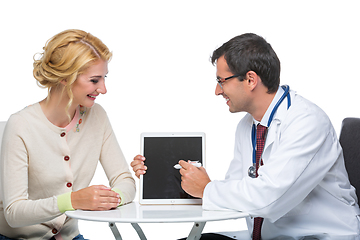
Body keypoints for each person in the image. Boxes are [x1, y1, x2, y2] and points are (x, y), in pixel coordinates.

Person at [131, 33, 360, 239]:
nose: (217, 91)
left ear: (250, 79)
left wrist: (208, 189)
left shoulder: (306, 121)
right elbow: (234, 192)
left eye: (222, 81)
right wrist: (171, 182)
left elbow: (269, 199)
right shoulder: (248, 125)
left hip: (319, 235)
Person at [0, 29, 136, 240]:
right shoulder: (21, 125)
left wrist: (108, 199)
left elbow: (124, 180)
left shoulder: (97, 116)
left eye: (104, 78)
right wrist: (72, 201)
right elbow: (13, 213)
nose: (103, 89)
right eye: (94, 80)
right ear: (65, 78)